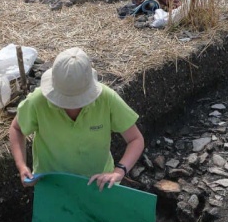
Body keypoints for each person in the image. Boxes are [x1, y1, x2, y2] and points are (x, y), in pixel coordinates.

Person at [9, 47, 145, 191]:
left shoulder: (106, 99)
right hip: (52, 185)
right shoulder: (38, 101)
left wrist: (118, 172)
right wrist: (22, 166)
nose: (70, 107)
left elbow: (135, 139)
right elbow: (17, 128)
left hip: (98, 184)